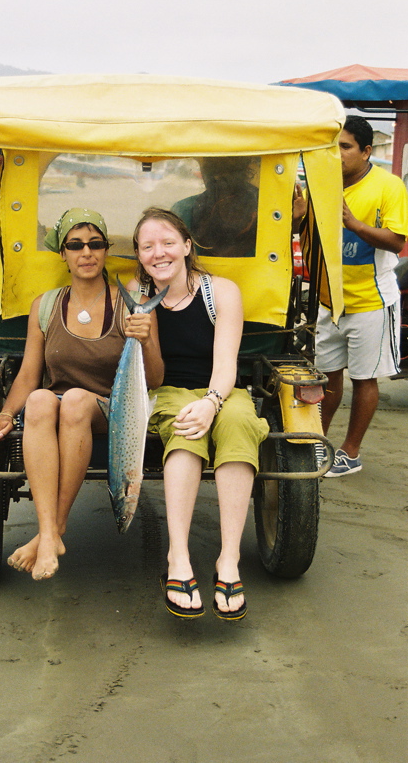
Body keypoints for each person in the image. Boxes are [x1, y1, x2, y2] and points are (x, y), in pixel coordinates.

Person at [0, 208, 163, 581]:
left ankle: (53, 530)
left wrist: (144, 338)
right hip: (56, 408)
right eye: (75, 245)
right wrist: (5, 415)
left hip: (112, 408)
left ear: (107, 249)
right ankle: (49, 533)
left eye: (95, 244)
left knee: (76, 399)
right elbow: (30, 374)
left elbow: (154, 379)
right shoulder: (45, 306)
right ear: (63, 254)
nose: (86, 253)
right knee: (40, 400)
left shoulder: (130, 301)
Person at [130, 207, 269, 620]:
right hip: (166, 390)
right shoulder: (137, 296)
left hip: (219, 387)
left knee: (241, 423)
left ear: (187, 246)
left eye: (168, 242)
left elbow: (225, 364)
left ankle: (229, 560)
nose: (160, 253)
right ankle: (179, 557)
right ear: (138, 255)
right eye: (148, 246)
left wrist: (212, 402)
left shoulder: (220, 291)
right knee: (185, 429)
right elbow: (146, 374)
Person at [312, 116, 408, 477]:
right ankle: (317, 442)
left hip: (371, 301)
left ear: (367, 151)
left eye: (345, 146)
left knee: (364, 378)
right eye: (332, 146)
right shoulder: (322, 184)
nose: (337, 154)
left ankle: (350, 453)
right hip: (330, 302)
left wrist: (354, 224)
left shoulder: (389, 185)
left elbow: (398, 241)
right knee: (326, 376)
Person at [172, 156, 259, 257]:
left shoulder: (267, 207)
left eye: (229, 168)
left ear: (246, 168)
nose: (217, 176)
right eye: (212, 168)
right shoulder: (183, 210)